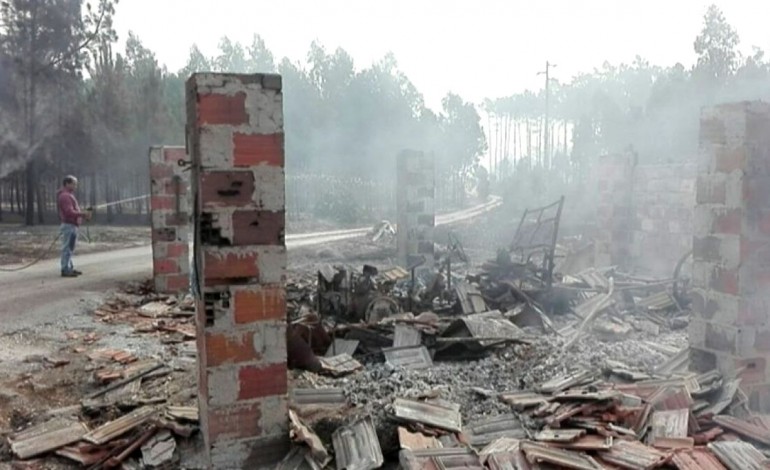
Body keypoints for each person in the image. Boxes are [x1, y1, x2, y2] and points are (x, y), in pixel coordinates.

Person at [57, 176, 91, 277]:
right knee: (67, 248)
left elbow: (72, 210)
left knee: (70, 248)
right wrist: (83, 214)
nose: (76, 186)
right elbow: (69, 212)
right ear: (67, 183)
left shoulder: (69, 195)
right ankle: (65, 269)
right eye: (74, 183)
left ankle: (69, 267)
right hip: (69, 225)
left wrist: (82, 214)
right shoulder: (65, 196)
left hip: (72, 225)